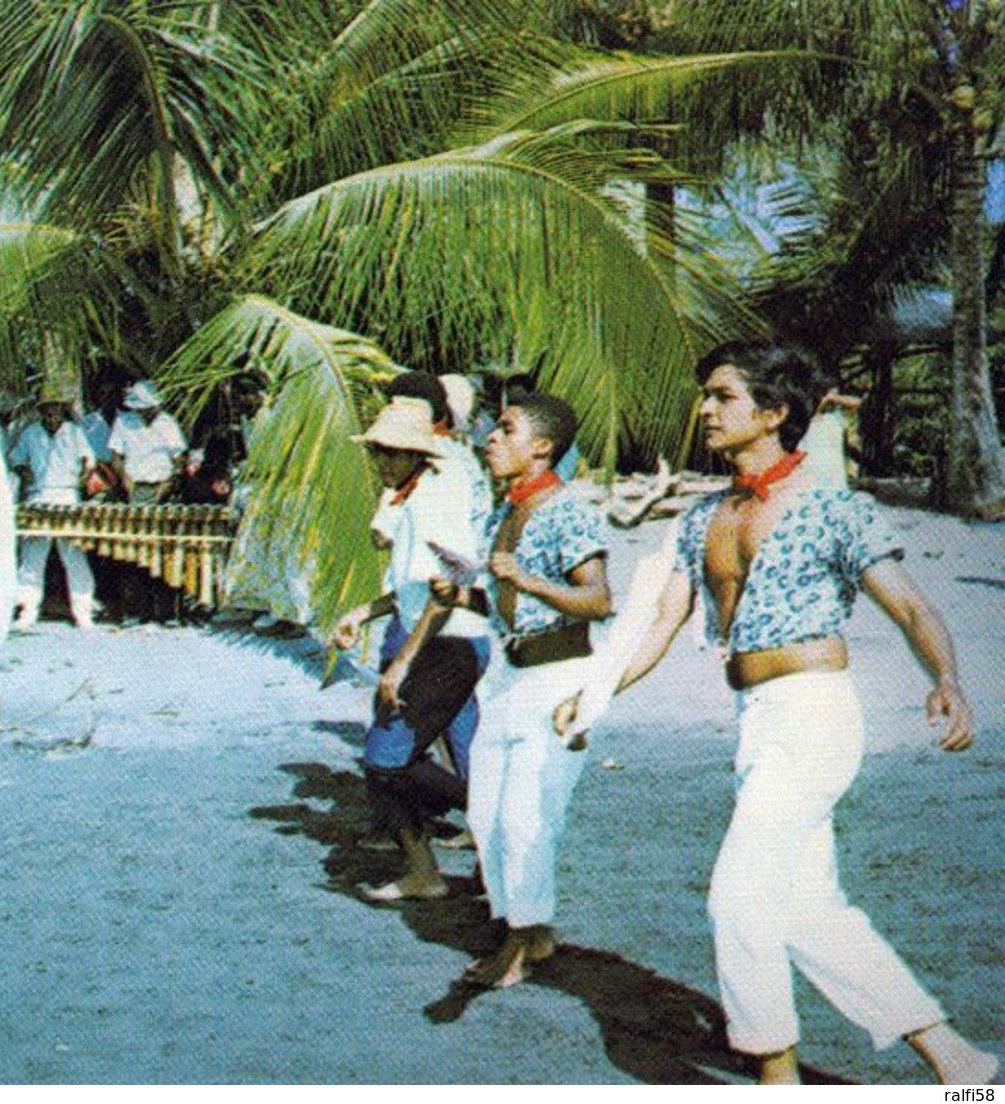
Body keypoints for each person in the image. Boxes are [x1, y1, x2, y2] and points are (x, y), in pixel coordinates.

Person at [553, 342, 997, 1085]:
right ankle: (959, 1063)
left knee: (738, 895)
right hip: (755, 720)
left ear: (774, 412)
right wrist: (595, 695)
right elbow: (661, 620)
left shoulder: (833, 507)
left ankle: (774, 1075)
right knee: (805, 908)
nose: (704, 409)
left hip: (815, 715)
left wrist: (947, 678)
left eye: (721, 396)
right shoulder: (702, 517)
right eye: (705, 395)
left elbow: (910, 605)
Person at [431, 392, 612, 988]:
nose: (490, 437)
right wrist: (460, 596)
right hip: (507, 676)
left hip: (558, 678)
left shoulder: (568, 510)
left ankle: (514, 944)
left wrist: (527, 580)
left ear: (542, 447)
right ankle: (531, 930)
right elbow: (502, 600)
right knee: (484, 816)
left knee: (526, 821)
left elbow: (599, 599)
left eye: (505, 430)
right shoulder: (499, 512)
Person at [328, 398, 489, 902]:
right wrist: (363, 613)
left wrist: (401, 662)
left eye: (393, 454)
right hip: (438, 640)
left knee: (388, 761)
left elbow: (443, 594)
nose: (384, 463)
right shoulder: (410, 499)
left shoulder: (430, 501)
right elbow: (413, 589)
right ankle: (430, 866)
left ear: (417, 455)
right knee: (388, 763)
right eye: (380, 453)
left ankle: (487, 818)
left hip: (448, 644)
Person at [9, 384, 97, 629]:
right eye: (47, 412)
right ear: (41, 412)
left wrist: (84, 475)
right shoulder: (30, 433)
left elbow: (90, 459)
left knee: (74, 555)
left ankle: (83, 611)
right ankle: (27, 610)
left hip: (68, 496)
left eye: (55, 411)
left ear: (61, 411)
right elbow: (15, 458)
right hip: (38, 496)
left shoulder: (74, 432)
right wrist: (23, 471)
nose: (51, 416)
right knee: (32, 557)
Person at [108, 381, 187, 504]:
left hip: (164, 487)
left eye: (147, 409)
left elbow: (180, 458)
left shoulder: (168, 423)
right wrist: (124, 478)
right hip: (135, 487)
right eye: (140, 409)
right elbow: (115, 456)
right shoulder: (123, 421)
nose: (143, 412)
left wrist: (170, 482)